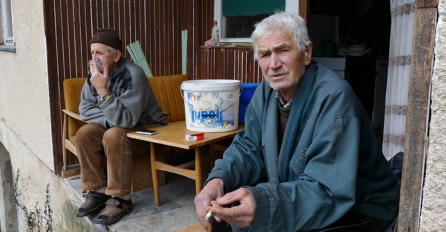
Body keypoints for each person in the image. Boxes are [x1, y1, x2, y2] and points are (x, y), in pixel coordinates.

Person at [194, 12, 399, 232]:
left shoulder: (334, 99)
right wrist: (218, 180)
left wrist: (264, 203)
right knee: (222, 222)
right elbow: (248, 147)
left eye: (283, 50)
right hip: (302, 194)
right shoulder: (267, 90)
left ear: (307, 53)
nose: (273, 64)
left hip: (361, 208)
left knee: (261, 217)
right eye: (264, 54)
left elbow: (327, 192)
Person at [75, 28, 167, 225]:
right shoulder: (94, 74)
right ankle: (97, 191)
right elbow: (85, 110)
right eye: (92, 53)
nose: (94, 58)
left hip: (149, 129)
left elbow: (126, 120)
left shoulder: (133, 74)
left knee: (113, 134)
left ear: (116, 55)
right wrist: (110, 119)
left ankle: (120, 199)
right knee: (85, 133)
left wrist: (102, 90)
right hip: (120, 126)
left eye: (99, 53)